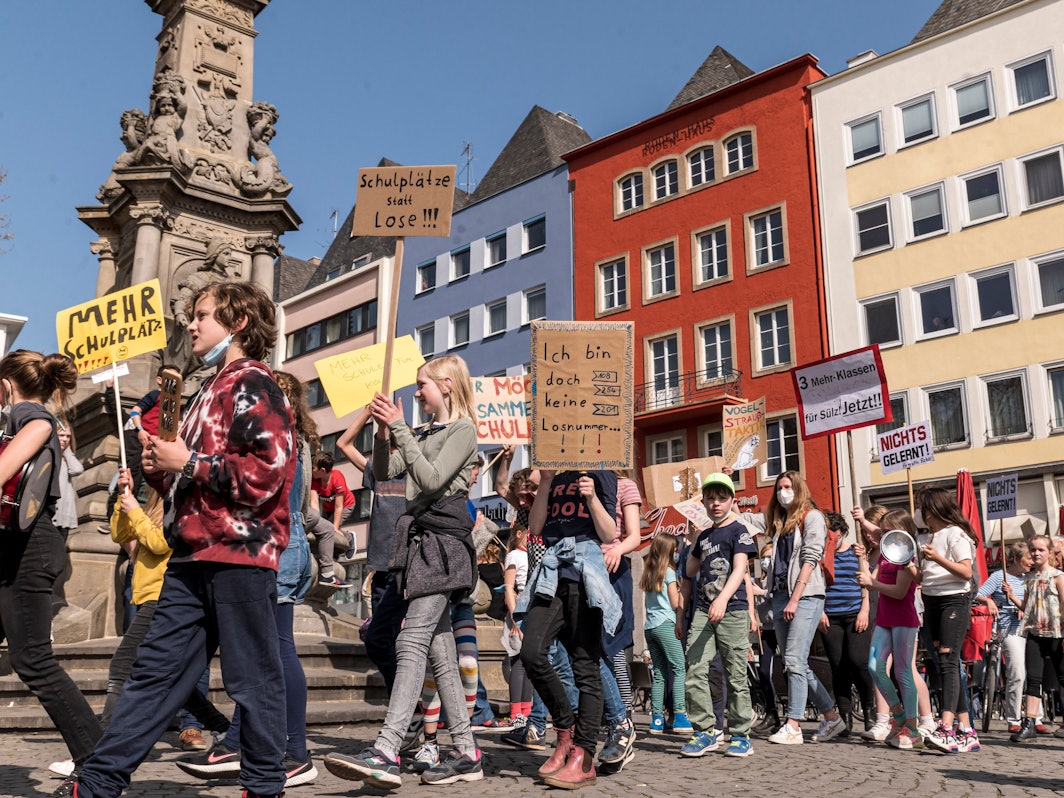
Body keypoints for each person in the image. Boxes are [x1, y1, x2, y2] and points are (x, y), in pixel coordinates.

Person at [71, 281, 296, 798]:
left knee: (252, 680)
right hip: (190, 555)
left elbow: (267, 472)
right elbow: (189, 484)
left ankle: (264, 786)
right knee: (153, 674)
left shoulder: (255, 382)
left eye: (202, 315)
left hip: (240, 555)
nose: (191, 324)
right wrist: (159, 471)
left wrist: (188, 462)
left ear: (237, 323)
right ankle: (99, 783)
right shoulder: (202, 391)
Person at [324, 355, 483, 789]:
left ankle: (388, 747)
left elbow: (430, 481)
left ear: (446, 385)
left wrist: (399, 428)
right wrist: (381, 434)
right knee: (441, 653)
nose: (416, 393)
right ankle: (467, 751)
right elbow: (383, 472)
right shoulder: (426, 431)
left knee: (412, 639)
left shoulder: (462, 431)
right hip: (422, 547)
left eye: (422, 385)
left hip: (444, 547)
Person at [176, 370, 320, 787]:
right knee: (264, 651)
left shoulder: (280, 434)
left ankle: (292, 752)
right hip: (289, 541)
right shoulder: (300, 438)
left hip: (279, 543)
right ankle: (245, 742)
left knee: (274, 650)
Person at [0, 350, 103, 795]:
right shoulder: (23, 415)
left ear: (6, 384)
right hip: (17, 550)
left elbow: (37, 430)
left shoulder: (28, 414)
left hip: (29, 552)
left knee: (33, 659)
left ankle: (98, 765)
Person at [516, 467, 621, 789]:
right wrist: (546, 482)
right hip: (551, 572)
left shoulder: (602, 474)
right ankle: (565, 733)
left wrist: (590, 498)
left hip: (585, 570)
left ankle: (584, 755)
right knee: (531, 652)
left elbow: (608, 534)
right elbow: (534, 527)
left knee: (584, 664)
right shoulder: (552, 477)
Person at [755, 471, 846, 745]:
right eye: (780, 487)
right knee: (796, 662)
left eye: (788, 487)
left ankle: (793, 724)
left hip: (805, 595)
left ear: (799, 489)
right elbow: (751, 521)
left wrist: (796, 597)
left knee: (794, 660)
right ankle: (832, 717)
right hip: (781, 595)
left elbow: (810, 557)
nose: (783, 491)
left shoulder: (813, 517)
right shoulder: (781, 522)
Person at [677, 472, 757, 757]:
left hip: (732, 610)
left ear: (731, 500)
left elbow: (740, 569)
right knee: (694, 670)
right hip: (702, 610)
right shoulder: (706, 535)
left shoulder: (739, 530)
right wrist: (692, 542)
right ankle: (705, 732)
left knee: (735, 676)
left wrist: (722, 599)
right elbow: (689, 572)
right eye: (710, 499)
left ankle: (740, 734)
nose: (716, 504)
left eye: (722, 498)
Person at [337, 407, 408, 690]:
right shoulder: (377, 471)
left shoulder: (417, 475)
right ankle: (402, 700)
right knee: (380, 639)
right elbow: (343, 444)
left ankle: (406, 704)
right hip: (381, 567)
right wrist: (368, 414)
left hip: (405, 568)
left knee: (394, 639)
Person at [914, 486, 980, 754]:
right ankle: (966, 730)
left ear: (933, 509)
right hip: (931, 599)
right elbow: (922, 577)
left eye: (921, 506)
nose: (918, 512)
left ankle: (947, 727)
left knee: (947, 659)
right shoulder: (928, 537)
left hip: (954, 600)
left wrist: (938, 557)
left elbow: (965, 571)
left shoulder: (956, 534)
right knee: (945, 664)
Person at [856, 509, 923, 749]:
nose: (881, 534)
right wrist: (862, 558)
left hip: (904, 619)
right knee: (875, 667)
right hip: (884, 619)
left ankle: (913, 728)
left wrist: (872, 583)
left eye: (886, 531)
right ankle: (898, 715)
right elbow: (871, 582)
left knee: (903, 671)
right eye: (881, 531)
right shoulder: (885, 553)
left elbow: (898, 591)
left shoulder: (907, 558)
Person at [596, 469, 644, 772]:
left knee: (611, 652)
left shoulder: (625, 486)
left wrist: (617, 549)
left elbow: (635, 536)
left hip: (611, 574)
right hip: (583, 571)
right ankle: (613, 718)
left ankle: (622, 716)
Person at [817, 511, 875, 736]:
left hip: (854, 613)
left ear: (841, 532)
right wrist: (820, 611)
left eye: (832, 532)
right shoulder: (822, 553)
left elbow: (866, 582)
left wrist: (865, 609)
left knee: (859, 663)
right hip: (830, 615)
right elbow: (818, 584)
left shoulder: (856, 552)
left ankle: (869, 710)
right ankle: (845, 717)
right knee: (838, 666)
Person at [1006, 535, 1064, 742]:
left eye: (1041, 550)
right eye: (1033, 550)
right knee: (1033, 679)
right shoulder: (1028, 578)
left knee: (1062, 676)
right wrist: (1012, 596)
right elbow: (1027, 607)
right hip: (1034, 632)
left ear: (1049, 552)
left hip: (1056, 632)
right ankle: (1029, 722)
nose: (1036, 553)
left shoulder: (1058, 576)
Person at [975, 541, 1031, 732]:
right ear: (1015, 559)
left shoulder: (1030, 578)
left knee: (1034, 674)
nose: (1031, 562)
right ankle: (1014, 719)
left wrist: (1024, 606)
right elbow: (978, 593)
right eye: (1028, 558)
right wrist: (989, 601)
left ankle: (1035, 718)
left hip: (1030, 628)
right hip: (1010, 628)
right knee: (1017, 672)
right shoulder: (1000, 576)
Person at [641, 533, 689, 735]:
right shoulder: (668, 573)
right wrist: (682, 590)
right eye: (675, 550)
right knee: (679, 668)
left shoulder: (649, 573)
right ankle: (679, 714)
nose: (677, 553)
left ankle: (657, 719)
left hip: (650, 626)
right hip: (665, 624)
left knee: (659, 674)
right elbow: (675, 602)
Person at [309, 450, 357, 587]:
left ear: (322, 470)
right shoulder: (315, 480)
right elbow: (314, 504)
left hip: (346, 505)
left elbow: (339, 507)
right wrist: (315, 520)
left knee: (331, 530)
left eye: (313, 468)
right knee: (323, 528)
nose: (311, 471)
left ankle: (349, 537)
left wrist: (335, 527)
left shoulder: (337, 478)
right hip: (328, 508)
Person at [503, 524, 534, 726]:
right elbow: (508, 587)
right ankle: (516, 713)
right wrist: (515, 617)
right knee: (518, 662)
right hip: (521, 606)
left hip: (533, 606)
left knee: (530, 662)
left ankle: (527, 711)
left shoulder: (531, 554)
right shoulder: (514, 554)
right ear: (520, 534)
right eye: (529, 533)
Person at [52, 421, 84, 539]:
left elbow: (77, 469)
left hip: (63, 516)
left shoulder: (66, 458)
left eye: (68, 436)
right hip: (50, 514)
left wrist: (67, 450)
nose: (65, 439)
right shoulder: (48, 455)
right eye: (61, 435)